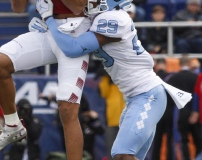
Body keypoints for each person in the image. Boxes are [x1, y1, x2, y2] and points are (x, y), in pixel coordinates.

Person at [31, 0, 192, 159]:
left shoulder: (114, 19)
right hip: (135, 98)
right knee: (124, 156)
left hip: (148, 95)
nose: (88, 3)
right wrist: (48, 31)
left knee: (123, 154)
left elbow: (72, 48)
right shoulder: (99, 18)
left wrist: (48, 19)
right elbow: (70, 35)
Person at [0, 0, 100, 160]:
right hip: (47, 29)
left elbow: (78, 7)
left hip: (77, 32)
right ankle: (13, 125)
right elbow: (18, 8)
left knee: (67, 109)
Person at [167, 55, 202, 160]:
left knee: (182, 141)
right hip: (194, 113)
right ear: (190, 63)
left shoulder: (173, 78)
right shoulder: (196, 77)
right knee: (198, 140)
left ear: (179, 64)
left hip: (180, 113)